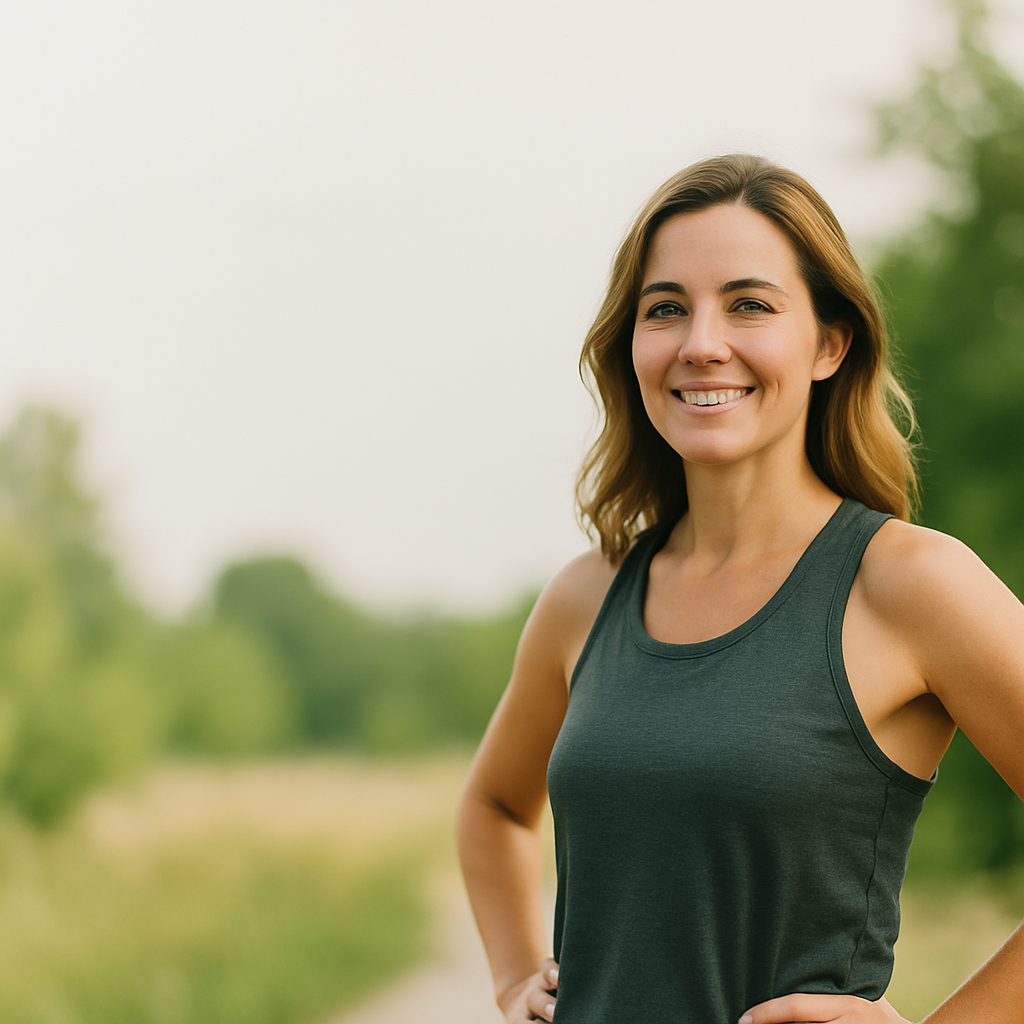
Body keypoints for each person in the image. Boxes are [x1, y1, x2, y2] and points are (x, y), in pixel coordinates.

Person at [456, 154, 1024, 1024]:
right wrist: (512, 975)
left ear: (831, 343)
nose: (701, 343)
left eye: (750, 304)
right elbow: (494, 805)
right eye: (666, 309)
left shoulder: (910, 585)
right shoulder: (586, 597)